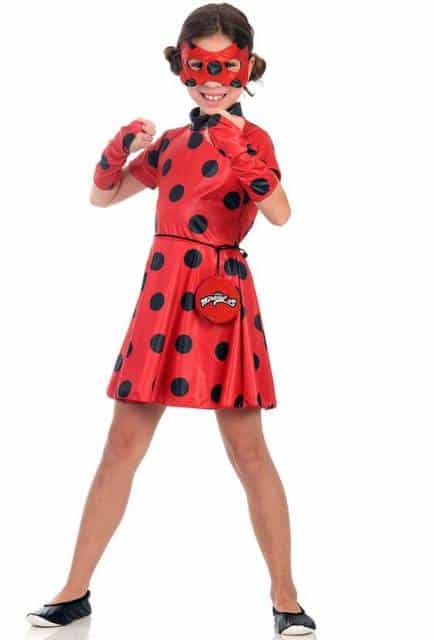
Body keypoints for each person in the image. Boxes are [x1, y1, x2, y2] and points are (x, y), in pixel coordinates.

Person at [26, 3, 316, 635]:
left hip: (219, 296)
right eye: (199, 67)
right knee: (120, 446)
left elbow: (281, 214)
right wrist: (117, 152)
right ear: (182, 67)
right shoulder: (174, 145)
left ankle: (287, 599)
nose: (211, 82)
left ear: (246, 69)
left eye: (225, 68)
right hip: (163, 294)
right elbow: (103, 197)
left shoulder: (256, 139)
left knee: (247, 450)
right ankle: (74, 592)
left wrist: (242, 155)